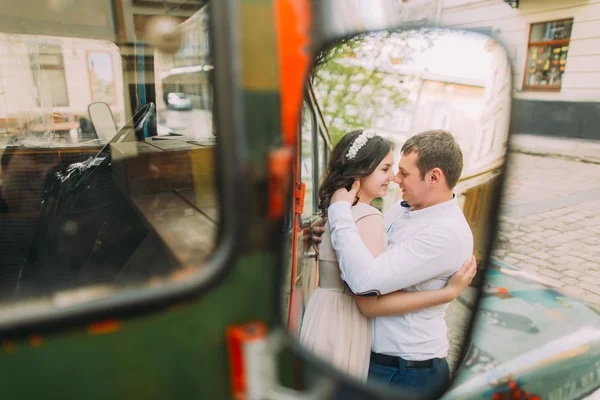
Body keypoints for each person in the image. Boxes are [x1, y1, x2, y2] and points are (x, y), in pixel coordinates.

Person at [299, 129, 477, 382]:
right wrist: (332, 234)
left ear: (434, 177)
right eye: (391, 170)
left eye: (404, 172)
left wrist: (339, 213)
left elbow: (365, 284)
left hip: (405, 369)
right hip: (368, 353)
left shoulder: (446, 233)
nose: (396, 179)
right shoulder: (399, 209)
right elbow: (358, 250)